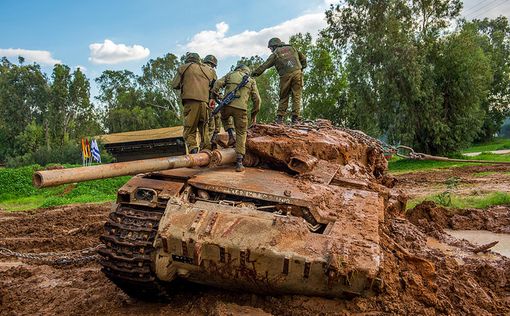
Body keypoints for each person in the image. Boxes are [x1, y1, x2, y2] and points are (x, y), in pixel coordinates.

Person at [212, 64, 260, 172]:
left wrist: (215, 96)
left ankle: (230, 134)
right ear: (246, 71)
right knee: (241, 133)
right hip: (241, 110)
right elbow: (257, 100)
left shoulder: (230, 75)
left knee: (224, 117)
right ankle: (239, 163)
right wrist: (254, 114)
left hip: (226, 106)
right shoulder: (251, 81)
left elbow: (218, 83)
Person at [251, 37, 306, 124]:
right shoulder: (292, 48)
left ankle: (279, 118)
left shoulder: (276, 53)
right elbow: (303, 59)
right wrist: (301, 69)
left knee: (284, 96)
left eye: (270, 48)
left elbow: (265, 66)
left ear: (274, 46)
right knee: (297, 96)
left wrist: (253, 74)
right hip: (297, 73)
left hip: (285, 76)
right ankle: (295, 118)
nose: (271, 50)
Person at [171, 52, 215, 153]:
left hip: (191, 103)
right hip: (205, 103)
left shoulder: (183, 68)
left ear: (188, 60)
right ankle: (206, 154)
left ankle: (193, 152)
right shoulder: (208, 70)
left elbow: (174, 84)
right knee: (204, 130)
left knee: (189, 130)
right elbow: (214, 85)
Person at [202, 54, 234, 146]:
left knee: (206, 125)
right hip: (208, 101)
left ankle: (210, 143)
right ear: (212, 64)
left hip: (199, 101)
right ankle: (210, 146)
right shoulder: (211, 71)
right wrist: (220, 97)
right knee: (211, 125)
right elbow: (215, 87)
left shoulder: (199, 69)